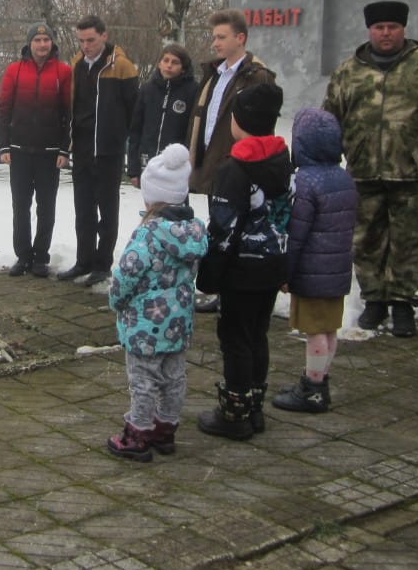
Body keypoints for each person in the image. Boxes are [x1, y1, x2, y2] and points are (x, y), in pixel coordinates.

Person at [322, 1, 418, 338]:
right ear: (369, 30)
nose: (386, 33)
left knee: (408, 239)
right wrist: (328, 157)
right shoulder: (349, 70)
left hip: (413, 170)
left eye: (392, 27)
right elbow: (330, 117)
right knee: (366, 238)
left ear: (403, 28)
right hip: (363, 169)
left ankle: (402, 301)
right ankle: (374, 299)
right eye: (379, 27)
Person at [195, 83, 291, 441]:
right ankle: (254, 408)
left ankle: (235, 414)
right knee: (257, 335)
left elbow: (224, 227)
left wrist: (210, 275)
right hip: (271, 266)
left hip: (240, 270)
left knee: (234, 338)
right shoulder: (282, 160)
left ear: (239, 121)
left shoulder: (235, 169)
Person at [106, 144, 208, 461]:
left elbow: (127, 273)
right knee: (174, 377)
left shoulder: (148, 235)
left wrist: (116, 300)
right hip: (178, 322)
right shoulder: (193, 233)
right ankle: (165, 429)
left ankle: (137, 433)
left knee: (144, 380)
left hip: (145, 326)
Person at [271, 108, 357, 414]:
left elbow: (296, 235)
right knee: (329, 328)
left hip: (312, 271)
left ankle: (314, 388)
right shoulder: (344, 178)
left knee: (314, 331)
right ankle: (316, 380)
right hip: (336, 270)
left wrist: (285, 271)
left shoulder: (305, 182)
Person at [60, 15, 139, 286]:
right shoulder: (77, 66)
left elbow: (133, 110)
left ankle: (102, 264)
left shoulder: (122, 67)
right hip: (81, 149)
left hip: (108, 151)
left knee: (107, 209)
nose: (85, 46)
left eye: (90, 40)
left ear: (104, 36)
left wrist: (118, 137)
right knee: (83, 210)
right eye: (81, 41)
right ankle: (84, 261)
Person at [0, 24, 73, 278]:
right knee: (20, 206)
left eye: (46, 40)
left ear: (52, 43)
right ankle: (23, 256)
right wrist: (4, 145)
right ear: (29, 44)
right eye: (38, 40)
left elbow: (68, 114)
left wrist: (64, 149)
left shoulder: (63, 72)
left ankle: (41, 256)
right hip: (19, 151)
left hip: (50, 153)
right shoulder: (15, 71)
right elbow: (4, 109)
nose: (42, 44)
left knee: (46, 207)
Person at [187, 10, 276, 194]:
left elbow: (263, 130)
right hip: (211, 167)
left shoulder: (258, 76)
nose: (215, 43)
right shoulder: (213, 74)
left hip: (240, 170)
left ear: (240, 38)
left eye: (221, 37)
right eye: (214, 37)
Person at [128, 43, 198, 187]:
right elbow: (135, 130)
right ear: (159, 64)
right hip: (148, 161)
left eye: (175, 62)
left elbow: (193, 132)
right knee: (152, 208)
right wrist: (133, 169)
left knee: (173, 208)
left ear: (183, 67)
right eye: (165, 61)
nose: (169, 66)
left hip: (176, 165)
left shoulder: (193, 92)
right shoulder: (147, 90)